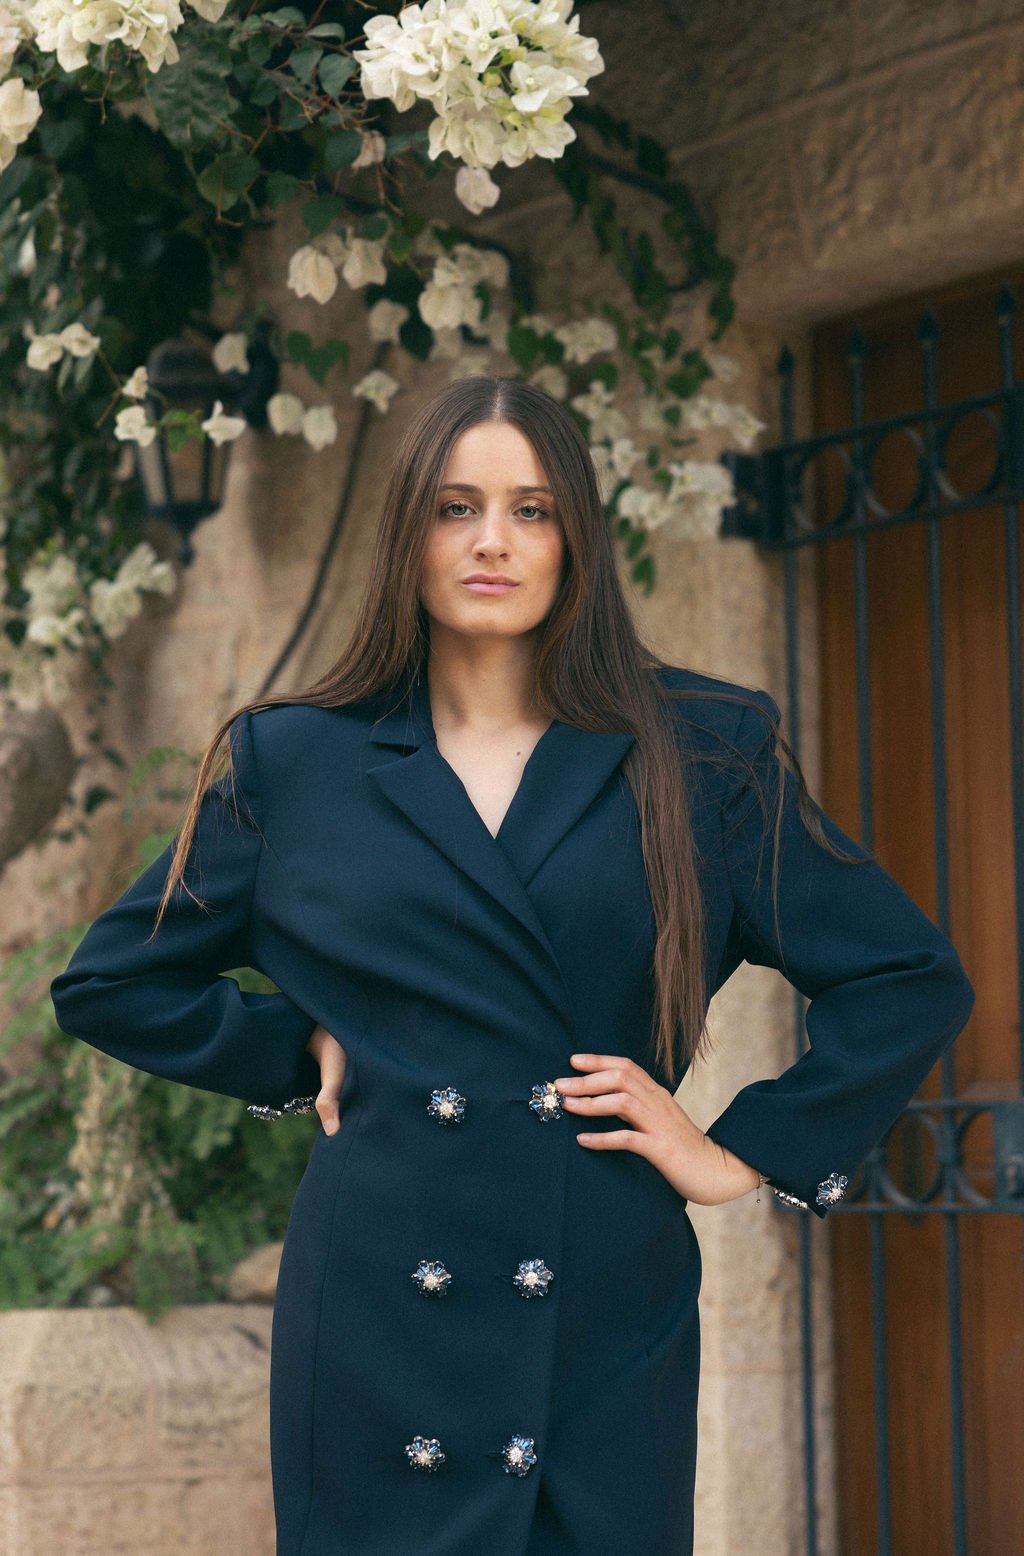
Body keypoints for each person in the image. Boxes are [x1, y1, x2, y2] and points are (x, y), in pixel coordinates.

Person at [50, 374, 975, 1556]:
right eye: (456, 506)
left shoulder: (700, 751)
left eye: (531, 509)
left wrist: (737, 1149)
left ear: (575, 536)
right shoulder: (295, 761)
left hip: (600, 1303)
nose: (493, 539)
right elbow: (110, 981)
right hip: (380, 1308)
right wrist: (304, 1045)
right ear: (408, 536)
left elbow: (905, 973)